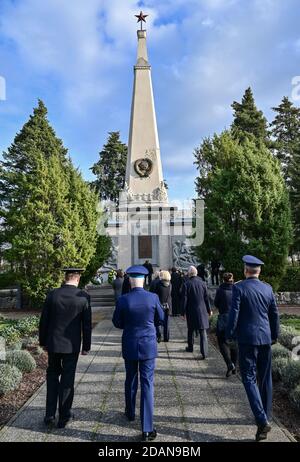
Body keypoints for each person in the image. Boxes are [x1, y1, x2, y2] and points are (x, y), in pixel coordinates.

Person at [226, 255, 279, 442]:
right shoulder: (267, 288)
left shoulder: (239, 288)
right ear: (259, 271)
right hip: (265, 338)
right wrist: (274, 335)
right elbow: (274, 314)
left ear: (245, 270)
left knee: (248, 378)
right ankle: (266, 415)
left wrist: (229, 333)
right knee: (265, 379)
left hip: (247, 339)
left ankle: (261, 419)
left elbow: (234, 313)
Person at [112, 265, 164, 442]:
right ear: (143, 280)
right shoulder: (153, 297)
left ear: (130, 281)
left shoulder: (123, 300)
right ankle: (147, 428)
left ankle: (130, 412)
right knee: (147, 383)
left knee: (131, 378)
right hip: (148, 345)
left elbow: (117, 322)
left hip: (130, 343)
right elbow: (161, 318)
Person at [39, 267, 92, 429]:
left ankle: (49, 415)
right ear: (77, 279)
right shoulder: (83, 297)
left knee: (52, 376)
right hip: (72, 345)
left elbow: (44, 321)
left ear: (65, 277)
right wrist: (86, 346)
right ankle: (64, 416)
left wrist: (43, 342)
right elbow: (87, 325)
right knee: (67, 379)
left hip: (53, 344)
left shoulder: (52, 294)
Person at [182, 266, 212, 358]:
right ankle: (204, 352)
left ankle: (190, 347)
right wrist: (209, 309)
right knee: (202, 331)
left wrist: (183, 312)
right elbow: (206, 298)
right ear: (196, 273)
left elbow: (184, 299)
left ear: (189, 274)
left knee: (190, 329)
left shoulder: (186, 284)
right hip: (202, 309)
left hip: (191, 310)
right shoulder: (203, 283)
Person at [214, 272, 238, 377]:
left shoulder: (220, 290)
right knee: (234, 342)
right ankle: (234, 366)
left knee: (222, 342)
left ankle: (229, 363)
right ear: (232, 279)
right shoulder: (236, 289)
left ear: (223, 280)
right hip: (235, 319)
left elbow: (216, 303)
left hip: (224, 318)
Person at [154, 270, 172, 342]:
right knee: (167, 322)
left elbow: (155, 295)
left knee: (158, 321)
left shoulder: (158, 284)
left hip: (159, 304)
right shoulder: (170, 284)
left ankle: (159, 336)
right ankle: (166, 337)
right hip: (168, 305)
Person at [149, 271, 162, 342]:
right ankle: (159, 335)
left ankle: (155, 334)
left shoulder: (153, 282)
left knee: (154, 319)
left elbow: (150, 291)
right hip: (159, 302)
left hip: (153, 301)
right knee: (158, 319)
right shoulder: (161, 282)